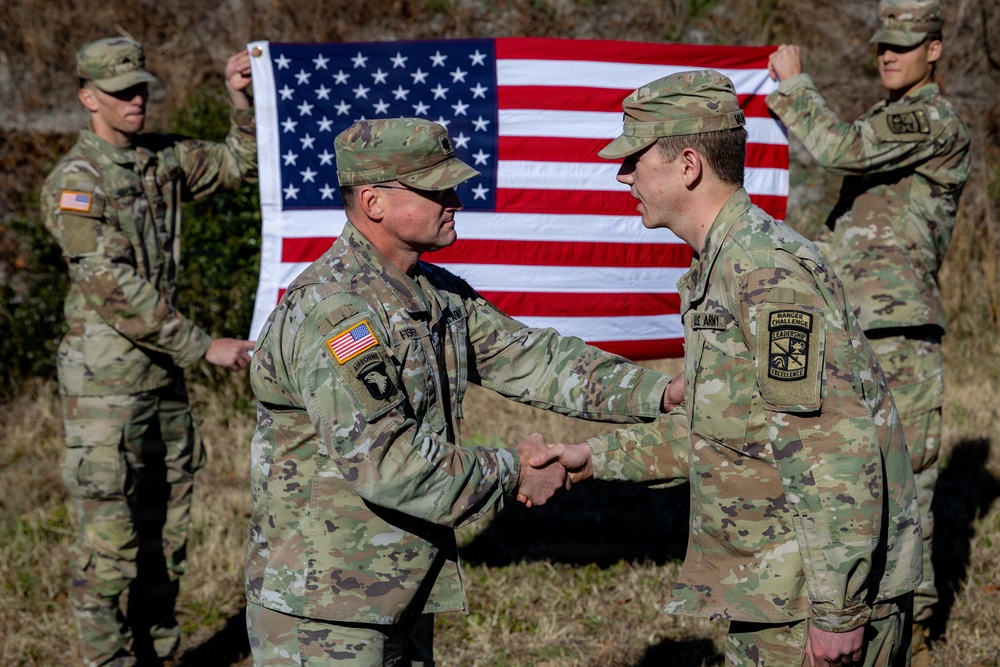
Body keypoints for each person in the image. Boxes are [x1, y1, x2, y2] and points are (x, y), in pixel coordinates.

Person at [245, 116, 682, 666]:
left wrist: (660, 392)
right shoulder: (336, 311)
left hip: (395, 587)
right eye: (435, 190)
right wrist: (515, 472)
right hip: (324, 607)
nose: (455, 201)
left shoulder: (431, 291)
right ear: (373, 202)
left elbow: (531, 358)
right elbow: (390, 463)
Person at [529, 70, 922, 666]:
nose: (623, 175)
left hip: (812, 605)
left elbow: (832, 448)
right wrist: (592, 458)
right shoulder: (723, 266)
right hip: (779, 592)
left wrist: (838, 613)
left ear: (688, 165)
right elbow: (725, 431)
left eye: (636, 159)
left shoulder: (765, 271)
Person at [40, 37, 259, 666]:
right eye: (120, 92)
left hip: (162, 380)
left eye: (140, 89)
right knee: (109, 548)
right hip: (105, 390)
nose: (135, 100)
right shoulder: (76, 182)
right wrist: (202, 345)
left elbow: (239, 165)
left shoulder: (160, 158)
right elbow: (109, 283)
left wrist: (239, 98)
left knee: (166, 536)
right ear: (88, 98)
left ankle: (157, 656)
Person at [765, 1, 971, 660]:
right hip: (852, 327)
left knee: (904, 481)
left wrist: (794, 87)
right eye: (883, 43)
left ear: (934, 49)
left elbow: (837, 148)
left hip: (898, 332)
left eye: (904, 45)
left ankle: (912, 627)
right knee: (849, 474)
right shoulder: (887, 120)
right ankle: (854, 610)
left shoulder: (930, 120)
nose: (888, 54)